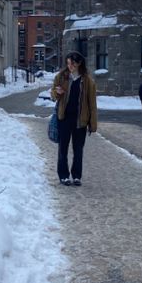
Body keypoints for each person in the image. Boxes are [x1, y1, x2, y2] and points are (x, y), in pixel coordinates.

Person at [51, 52, 98, 186]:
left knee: (78, 150)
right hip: (64, 119)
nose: (70, 66)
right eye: (68, 63)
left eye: (72, 63)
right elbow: (53, 94)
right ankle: (63, 175)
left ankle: (76, 176)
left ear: (79, 63)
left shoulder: (88, 81)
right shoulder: (61, 77)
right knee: (63, 149)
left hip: (80, 121)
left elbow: (92, 104)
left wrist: (92, 124)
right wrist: (56, 93)